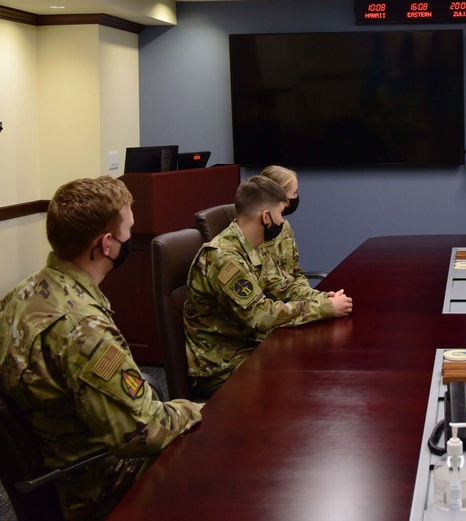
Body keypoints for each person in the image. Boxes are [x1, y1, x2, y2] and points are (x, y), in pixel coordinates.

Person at [0, 177, 202, 520]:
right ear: (107, 244)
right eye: (128, 230)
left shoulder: (22, 293)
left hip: (60, 456)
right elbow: (143, 433)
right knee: (213, 449)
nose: (130, 238)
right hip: (95, 484)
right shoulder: (83, 328)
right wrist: (195, 410)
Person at [184, 176, 352, 397]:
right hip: (222, 366)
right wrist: (324, 309)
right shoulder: (224, 259)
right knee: (301, 383)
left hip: (251, 347)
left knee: (313, 363)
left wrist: (322, 299)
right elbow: (260, 315)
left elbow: (282, 286)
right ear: (265, 216)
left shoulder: (253, 245)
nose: (282, 221)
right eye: (281, 213)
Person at [259, 164, 333, 301]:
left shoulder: (284, 226)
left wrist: (313, 296)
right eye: (294, 193)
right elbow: (275, 289)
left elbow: (296, 272)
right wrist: (320, 301)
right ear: (278, 197)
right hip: (276, 307)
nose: (296, 197)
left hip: (294, 301)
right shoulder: (256, 234)